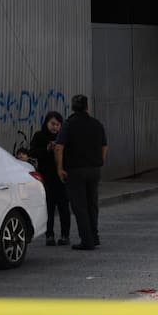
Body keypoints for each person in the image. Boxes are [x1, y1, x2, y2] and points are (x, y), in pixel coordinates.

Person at [54, 94, 107, 251]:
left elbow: (59, 147)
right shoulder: (96, 124)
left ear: (72, 107)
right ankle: (94, 236)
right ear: (87, 107)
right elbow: (104, 146)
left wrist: (60, 168)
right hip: (94, 169)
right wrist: (100, 161)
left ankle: (87, 240)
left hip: (75, 170)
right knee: (92, 204)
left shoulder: (68, 124)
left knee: (79, 206)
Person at [30, 110, 70, 246]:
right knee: (48, 207)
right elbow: (33, 152)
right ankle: (49, 235)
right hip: (46, 177)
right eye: (52, 124)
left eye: (58, 125)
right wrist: (47, 149)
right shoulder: (39, 136)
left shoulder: (63, 137)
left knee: (64, 207)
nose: (55, 127)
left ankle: (65, 235)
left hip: (61, 177)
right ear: (46, 123)